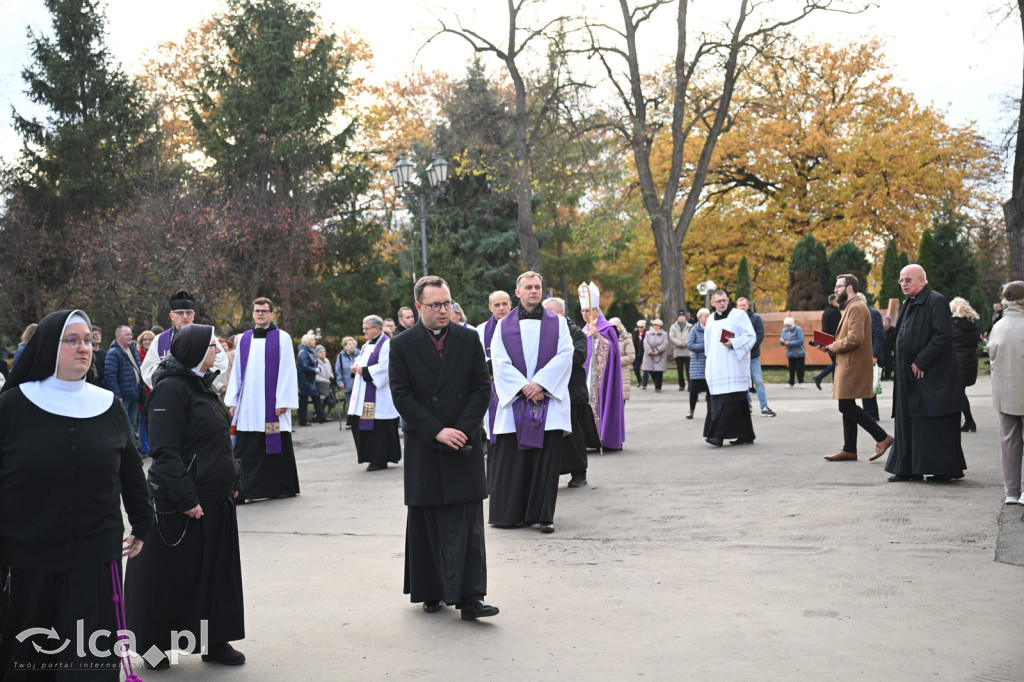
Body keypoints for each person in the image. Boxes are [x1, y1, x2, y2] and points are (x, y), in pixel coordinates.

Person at [0, 309, 152, 678]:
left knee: (88, 659)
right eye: (73, 340)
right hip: (29, 556)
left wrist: (143, 523)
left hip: (95, 557)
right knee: (30, 660)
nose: (84, 347)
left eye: (88, 340)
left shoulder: (108, 405)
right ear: (49, 346)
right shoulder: (13, 406)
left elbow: (131, 473)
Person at [124, 324, 246, 669]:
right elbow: (165, 450)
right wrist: (185, 496)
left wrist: (233, 475)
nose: (216, 350)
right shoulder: (171, 390)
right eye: (210, 346)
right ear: (194, 351)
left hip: (215, 496)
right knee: (167, 578)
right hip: (182, 502)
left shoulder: (203, 385)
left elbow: (218, 439)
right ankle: (153, 647)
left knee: (215, 573)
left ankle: (215, 640)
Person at [389, 276, 498, 620]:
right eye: (435, 305)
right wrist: (437, 431)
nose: (443, 310)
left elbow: (482, 387)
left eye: (447, 303)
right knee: (426, 520)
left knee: (469, 523)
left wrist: (462, 431)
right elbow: (402, 395)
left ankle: (472, 597)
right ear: (419, 307)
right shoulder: (402, 345)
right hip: (425, 443)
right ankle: (430, 591)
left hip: (462, 443)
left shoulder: (469, 339)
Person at [488, 271, 573, 533]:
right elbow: (499, 362)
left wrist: (540, 385)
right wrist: (524, 387)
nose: (533, 291)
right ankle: (511, 514)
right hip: (516, 401)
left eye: (537, 287)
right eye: (528, 287)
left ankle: (543, 515)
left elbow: (566, 355)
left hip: (548, 402)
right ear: (518, 292)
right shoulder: (504, 325)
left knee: (545, 462)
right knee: (514, 461)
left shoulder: (558, 323)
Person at [884, 264, 966, 482]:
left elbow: (942, 336)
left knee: (931, 423)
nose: (904, 284)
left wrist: (921, 360)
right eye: (901, 280)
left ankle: (941, 469)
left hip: (931, 376)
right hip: (907, 377)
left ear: (922, 280)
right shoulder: (908, 303)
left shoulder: (936, 301)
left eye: (908, 280)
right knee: (908, 421)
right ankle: (908, 468)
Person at [225, 297, 301, 501]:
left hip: (273, 405)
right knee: (247, 447)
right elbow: (237, 372)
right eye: (257, 310)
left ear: (271, 314)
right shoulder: (245, 339)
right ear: (253, 313)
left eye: (264, 311)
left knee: (274, 447)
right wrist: (232, 400)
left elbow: (288, 370)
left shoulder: (282, 338)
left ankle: (277, 488)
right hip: (249, 404)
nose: (260, 314)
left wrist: (283, 400)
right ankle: (244, 490)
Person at [822, 275, 894, 463]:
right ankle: (849, 449)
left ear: (850, 288)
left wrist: (834, 346)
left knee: (847, 406)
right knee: (847, 405)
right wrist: (829, 344)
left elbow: (855, 338)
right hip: (848, 362)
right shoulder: (851, 307)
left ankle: (882, 437)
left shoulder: (856, 307)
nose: (835, 290)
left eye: (838, 286)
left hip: (852, 365)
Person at [545, 297, 598, 488]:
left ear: (560, 312)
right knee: (553, 437)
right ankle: (552, 473)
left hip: (572, 392)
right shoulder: (543, 331)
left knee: (575, 436)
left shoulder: (575, 332)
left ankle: (579, 473)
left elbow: (578, 356)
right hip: (550, 391)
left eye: (549, 310)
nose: (545, 314)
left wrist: (555, 360)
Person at [142, 291, 228, 389]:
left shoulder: (208, 337)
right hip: (171, 391)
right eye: (180, 313)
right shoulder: (159, 340)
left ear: (194, 315)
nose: (185, 316)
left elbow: (221, 363)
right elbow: (148, 370)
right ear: (171, 316)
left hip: (200, 390)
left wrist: (199, 380)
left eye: (188, 312)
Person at [347, 315, 401, 471]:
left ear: (376, 329)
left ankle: (380, 459)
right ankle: (370, 457)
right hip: (364, 394)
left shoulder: (387, 344)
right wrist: (356, 366)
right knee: (362, 426)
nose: (363, 331)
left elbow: (386, 368)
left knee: (378, 429)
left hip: (379, 396)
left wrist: (363, 370)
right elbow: (361, 361)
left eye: (366, 328)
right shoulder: (366, 345)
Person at [703, 291, 756, 446]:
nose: (722, 303)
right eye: (718, 301)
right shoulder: (711, 319)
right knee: (738, 403)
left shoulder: (738, 315)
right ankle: (746, 434)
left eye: (724, 300)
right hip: (717, 365)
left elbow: (750, 336)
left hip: (734, 364)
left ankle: (718, 435)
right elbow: (708, 344)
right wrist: (710, 360)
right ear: (712, 303)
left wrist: (734, 343)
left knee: (730, 400)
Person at [987, 281, 1024, 504]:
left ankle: (1011, 491)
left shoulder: (998, 325)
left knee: (1008, 441)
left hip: (1004, 390)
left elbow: (991, 353)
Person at [579, 282, 625, 450]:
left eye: (588, 310)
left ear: (596, 311)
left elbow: (613, 352)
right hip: (586, 377)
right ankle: (590, 439)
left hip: (604, 377)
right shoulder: (584, 329)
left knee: (603, 404)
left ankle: (606, 438)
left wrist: (599, 337)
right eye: (583, 310)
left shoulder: (607, 328)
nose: (585, 314)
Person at [476, 290, 513, 442]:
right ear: (490, 308)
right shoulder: (481, 330)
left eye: (505, 304)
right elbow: (479, 359)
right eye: (497, 305)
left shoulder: (521, 326)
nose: (501, 308)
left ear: (511, 305)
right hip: (493, 386)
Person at [736, 298, 776, 417]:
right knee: (743, 383)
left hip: (753, 356)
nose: (742, 307)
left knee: (758, 381)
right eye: (740, 305)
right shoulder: (734, 319)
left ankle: (764, 406)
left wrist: (749, 346)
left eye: (744, 305)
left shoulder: (756, 318)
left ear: (748, 306)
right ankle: (747, 407)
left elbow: (760, 335)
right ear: (737, 307)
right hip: (740, 356)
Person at [104, 325, 144, 438]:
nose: (130, 337)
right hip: (123, 396)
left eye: (131, 334)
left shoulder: (133, 349)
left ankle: (133, 451)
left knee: (133, 424)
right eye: (127, 334)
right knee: (123, 425)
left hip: (135, 395)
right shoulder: (113, 353)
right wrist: (117, 395)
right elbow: (110, 376)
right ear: (118, 336)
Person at [950, 297, 981, 433]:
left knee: (957, 392)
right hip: (970, 360)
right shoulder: (973, 323)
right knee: (959, 391)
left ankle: (969, 421)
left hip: (957, 361)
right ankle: (967, 421)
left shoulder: (954, 324)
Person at [296, 333, 329, 426]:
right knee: (303, 401)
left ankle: (322, 417)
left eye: (314, 340)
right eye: (311, 340)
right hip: (304, 380)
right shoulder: (303, 353)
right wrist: (316, 370)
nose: (314, 341)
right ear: (307, 342)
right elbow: (304, 367)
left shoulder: (311, 352)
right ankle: (302, 421)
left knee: (316, 398)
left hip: (311, 380)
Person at [686, 309, 711, 420]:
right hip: (697, 365)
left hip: (709, 364)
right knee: (694, 391)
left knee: (710, 391)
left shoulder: (712, 329)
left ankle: (710, 412)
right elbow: (690, 345)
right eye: (705, 316)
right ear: (699, 318)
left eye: (709, 316)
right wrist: (705, 346)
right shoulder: (694, 329)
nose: (707, 318)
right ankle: (691, 410)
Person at [813, 294, 841, 390]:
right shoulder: (833, 312)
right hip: (832, 340)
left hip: (826, 340)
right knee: (837, 362)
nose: (839, 303)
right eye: (838, 301)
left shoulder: (827, 311)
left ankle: (835, 383)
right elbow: (837, 328)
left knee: (836, 362)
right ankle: (819, 377)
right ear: (833, 302)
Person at [609, 317, 635, 408]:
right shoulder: (606, 339)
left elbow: (631, 357)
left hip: (622, 373)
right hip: (609, 374)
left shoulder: (626, 339)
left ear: (621, 327)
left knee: (620, 405)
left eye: (616, 327)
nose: (614, 329)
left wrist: (615, 361)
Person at [334, 336, 358, 429]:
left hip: (358, 382)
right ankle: (351, 422)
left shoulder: (359, 354)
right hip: (347, 383)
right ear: (344, 346)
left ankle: (359, 421)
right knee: (349, 403)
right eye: (349, 344)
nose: (352, 346)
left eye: (353, 344)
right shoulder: (340, 357)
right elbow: (338, 370)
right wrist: (340, 381)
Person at [640, 318, 669, 392]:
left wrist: (658, 350)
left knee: (659, 372)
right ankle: (656, 383)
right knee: (651, 371)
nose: (656, 326)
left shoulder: (664, 334)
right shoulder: (648, 333)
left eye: (658, 325)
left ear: (661, 326)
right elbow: (645, 343)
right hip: (649, 355)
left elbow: (665, 344)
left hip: (660, 355)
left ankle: (658, 387)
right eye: (655, 325)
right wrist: (650, 351)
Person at [779, 317, 806, 387]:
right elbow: (783, 341)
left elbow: (801, 341)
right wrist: (782, 342)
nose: (787, 327)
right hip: (790, 352)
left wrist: (790, 343)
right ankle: (791, 382)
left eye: (789, 325)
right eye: (786, 325)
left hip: (799, 352)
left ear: (792, 324)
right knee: (791, 368)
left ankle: (801, 382)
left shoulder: (798, 329)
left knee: (800, 368)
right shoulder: (784, 330)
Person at [668, 310, 691, 391]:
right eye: (680, 316)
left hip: (687, 350)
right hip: (678, 350)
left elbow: (691, 336)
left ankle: (690, 384)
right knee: (680, 369)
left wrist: (686, 343)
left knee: (689, 369)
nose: (681, 318)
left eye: (683, 316)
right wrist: (680, 343)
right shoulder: (673, 327)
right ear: (677, 317)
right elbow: (672, 337)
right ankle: (681, 384)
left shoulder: (690, 326)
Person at [315, 344, 336, 415]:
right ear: (316, 353)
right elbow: (315, 376)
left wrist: (331, 377)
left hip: (328, 384)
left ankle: (323, 414)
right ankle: (318, 415)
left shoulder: (327, 360)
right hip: (320, 384)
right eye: (320, 351)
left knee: (328, 399)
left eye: (324, 351)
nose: (323, 353)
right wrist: (325, 380)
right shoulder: (315, 361)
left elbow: (330, 371)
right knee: (321, 399)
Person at [631, 320, 648, 388]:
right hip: (636, 354)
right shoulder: (634, 333)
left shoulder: (647, 333)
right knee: (636, 368)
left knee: (646, 369)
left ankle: (645, 383)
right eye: (638, 327)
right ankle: (639, 380)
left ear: (644, 327)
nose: (639, 328)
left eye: (641, 327)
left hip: (645, 354)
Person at [881, 315, 897, 381]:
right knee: (881, 363)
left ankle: (888, 377)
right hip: (881, 350)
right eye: (884, 321)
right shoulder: (881, 329)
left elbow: (895, 341)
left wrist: (894, 350)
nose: (884, 322)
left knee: (889, 364)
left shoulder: (893, 330)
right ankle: (881, 377)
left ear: (889, 322)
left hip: (890, 350)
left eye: (886, 321)